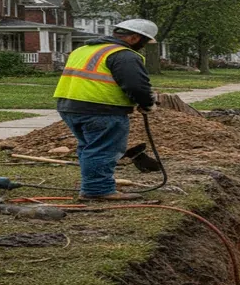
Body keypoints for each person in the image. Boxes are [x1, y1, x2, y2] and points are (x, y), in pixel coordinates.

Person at [53, 19, 160, 201]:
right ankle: (97, 190)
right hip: (101, 110)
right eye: (143, 42)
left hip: (70, 106)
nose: (143, 47)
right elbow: (136, 86)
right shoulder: (124, 55)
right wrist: (147, 103)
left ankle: (93, 184)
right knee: (103, 149)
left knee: (90, 147)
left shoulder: (83, 50)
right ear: (134, 38)